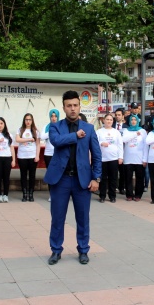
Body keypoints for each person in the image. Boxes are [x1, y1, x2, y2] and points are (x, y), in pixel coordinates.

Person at [45, 90, 101, 265]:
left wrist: (96, 178)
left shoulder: (89, 128)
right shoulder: (55, 126)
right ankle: (56, 250)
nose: (72, 108)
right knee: (57, 218)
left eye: (75, 105)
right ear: (63, 107)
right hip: (60, 180)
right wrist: (75, 136)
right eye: (69, 105)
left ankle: (83, 250)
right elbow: (56, 141)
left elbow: (97, 155)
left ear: (79, 106)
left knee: (83, 218)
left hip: (81, 180)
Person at [96, 113, 123, 203]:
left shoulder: (116, 132)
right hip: (102, 159)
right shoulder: (99, 131)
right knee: (103, 178)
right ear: (104, 120)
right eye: (107, 119)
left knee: (113, 178)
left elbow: (120, 145)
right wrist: (101, 143)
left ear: (113, 121)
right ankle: (102, 195)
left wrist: (120, 157)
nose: (109, 121)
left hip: (113, 158)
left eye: (111, 120)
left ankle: (112, 196)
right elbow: (95, 143)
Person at [0, 117, 16, 203]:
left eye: (1, 123)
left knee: (6, 177)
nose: (0, 125)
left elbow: (12, 148)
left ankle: (5, 195)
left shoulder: (9, 135)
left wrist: (13, 160)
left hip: (7, 158)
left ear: (4, 124)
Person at [16, 113, 40, 202]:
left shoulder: (36, 131)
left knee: (32, 176)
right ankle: (24, 194)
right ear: (24, 120)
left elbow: (38, 144)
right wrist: (29, 139)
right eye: (26, 119)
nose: (28, 121)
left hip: (32, 156)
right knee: (23, 175)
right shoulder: (20, 130)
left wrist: (37, 156)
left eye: (30, 119)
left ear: (32, 121)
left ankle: (31, 194)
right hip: (22, 156)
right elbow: (17, 139)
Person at [122, 114, 147, 201]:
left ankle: (138, 195)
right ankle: (129, 194)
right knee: (128, 178)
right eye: (132, 120)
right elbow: (124, 140)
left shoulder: (142, 131)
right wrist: (135, 134)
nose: (133, 121)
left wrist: (145, 159)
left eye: (135, 120)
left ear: (138, 121)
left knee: (139, 178)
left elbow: (145, 146)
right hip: (128, 158)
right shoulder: (126, 130)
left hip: (139, 159)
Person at [42, 109, 59, 201]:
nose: (53, 118)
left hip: (58, 153)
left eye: (55, 116)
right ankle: (51, 194)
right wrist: (51, 132)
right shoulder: (46, 126)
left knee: (59, 174)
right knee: (50, 174)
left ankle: (58, 194)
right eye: (52, 116)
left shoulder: (61, 126)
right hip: (48, 154)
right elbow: (42, 136)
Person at [113, 108, 127, 194]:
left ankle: (122, 187)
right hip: (113, 152)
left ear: (123, 116)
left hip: (123, 152)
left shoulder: (126, 127)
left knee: (123, 171)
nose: (117, 116)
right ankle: (114, 187)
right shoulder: (112, 126)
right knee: (114, 171)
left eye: (119, 115)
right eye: (116, 115)